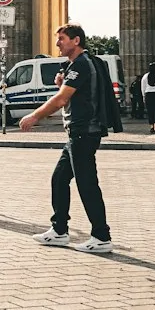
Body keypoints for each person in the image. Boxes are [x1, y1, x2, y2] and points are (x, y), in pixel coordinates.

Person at [24, 23, 122, 253]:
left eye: (62, 39)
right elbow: (70, 96)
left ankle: (101, 236)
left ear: (76, 41)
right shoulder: (78, 65)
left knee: (87, 184)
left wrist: (34, 116)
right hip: (77, 133)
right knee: (59, 179)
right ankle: (59, 231)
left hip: (84, 132)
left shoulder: (81, 65)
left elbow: (60, 100)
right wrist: (62, 84)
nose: (57, 43)